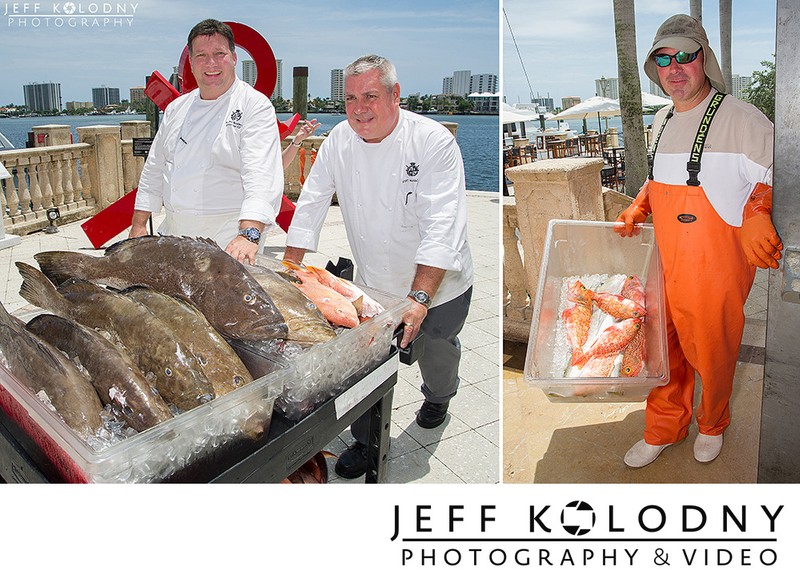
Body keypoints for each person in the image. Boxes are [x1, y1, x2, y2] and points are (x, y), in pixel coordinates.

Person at [283, 54, 474, 479]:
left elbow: (442, 224)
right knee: (368, 363)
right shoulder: (338, 140)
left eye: (371, 95)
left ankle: (439, 396)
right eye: (350, 98)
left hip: (439, 285)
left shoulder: (432, 141)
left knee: (438, 348)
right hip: (375, 281)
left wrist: (420, 296)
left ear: (395, 95)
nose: (359, 108)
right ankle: (367, 443)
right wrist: (290, 267)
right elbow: (313, 200)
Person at [616, 14, 782, 468]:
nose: (674, 67)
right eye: (663, 58)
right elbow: (662, 177)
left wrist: (757, 210)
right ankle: (664, 427)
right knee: (663, 350)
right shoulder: (661, 119)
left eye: (685, 56)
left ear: (703, 61)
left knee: (713, 350)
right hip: (665, 262)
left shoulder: (743, 118)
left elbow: (780, 173)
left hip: (715, 268)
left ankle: (712, 424)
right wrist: (641, 203)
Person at [130, 19, 284, 265]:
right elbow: (155, 168)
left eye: (219, 54)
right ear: (190, 63)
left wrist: (249, 234)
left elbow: (261, 174)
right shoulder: (176, 109)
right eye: (201, 55)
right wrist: (138, 226)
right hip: (175, 230)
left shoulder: (254, 105)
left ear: (233, 58)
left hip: (229, 234)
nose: (211, 63)